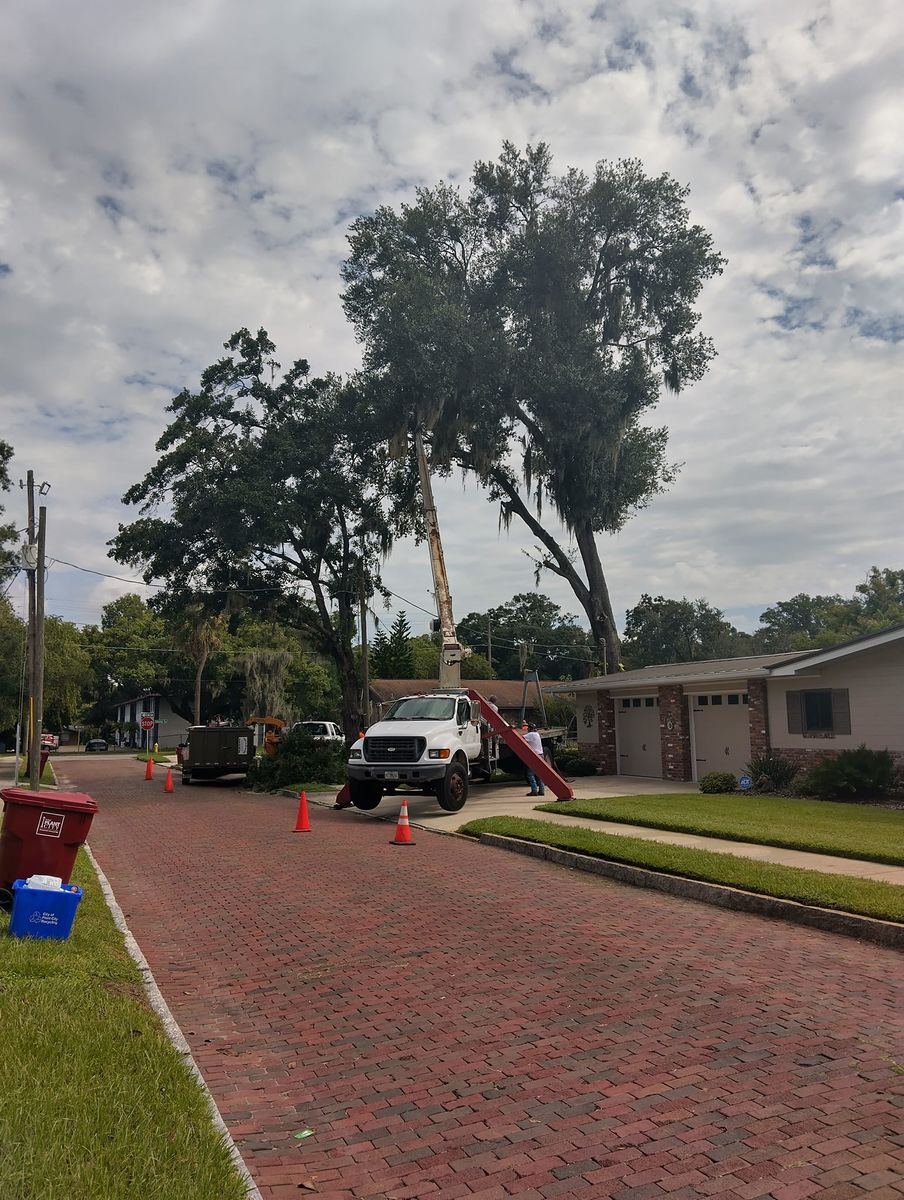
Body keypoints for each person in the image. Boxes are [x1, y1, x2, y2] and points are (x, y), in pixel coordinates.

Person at [522, 722, 546, 796]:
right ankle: (541, 790)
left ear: (529, 728)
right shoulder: (537, 734)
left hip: (535, 756)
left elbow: (521, 738)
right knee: (539, 774)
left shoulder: (530, 734)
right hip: (541, 755)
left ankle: (534, 790)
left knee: (530, 774)